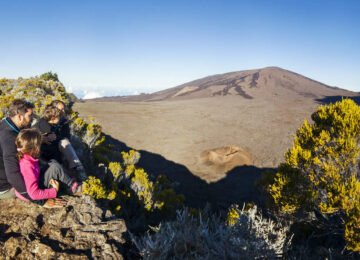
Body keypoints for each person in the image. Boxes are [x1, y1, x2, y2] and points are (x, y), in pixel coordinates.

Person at [0, 99, 66, 208]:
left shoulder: (6, 123)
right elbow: (13, 176)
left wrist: (40, 139)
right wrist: (42, 202)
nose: (32, 118)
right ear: (19, 116)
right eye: (29, 115)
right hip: (6, 187)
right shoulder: (9, 138)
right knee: (51, 172)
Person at [14, 128, 82, 201]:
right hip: (35, 191)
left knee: (52, 163)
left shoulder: (27, 157)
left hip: (38, 181)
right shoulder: (27, 166)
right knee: (55, 168)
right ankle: (73, 188)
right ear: (35, 148)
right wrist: (54, 190)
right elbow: (33, 194)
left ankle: (70, 181)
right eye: (39, 144)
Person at [35, 101, 87, 181]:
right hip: (42, 150)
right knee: (60, 144)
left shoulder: (63, 121)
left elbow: (66, 137)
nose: (63, 111)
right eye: (61, 109)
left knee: (64, 142)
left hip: (56, 147)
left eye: (63, 109)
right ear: (53, 110)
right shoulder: (44, 123)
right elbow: (49, 139)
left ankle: (78, 169)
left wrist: (57, 137)